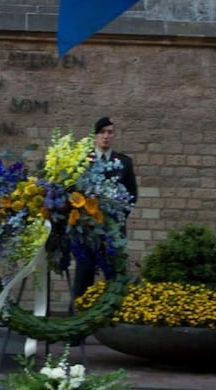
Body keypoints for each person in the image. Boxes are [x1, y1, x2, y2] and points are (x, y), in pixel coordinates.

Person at [69, 117, 137, 317]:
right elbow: (73, 192)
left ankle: (112, 321)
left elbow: (132, 195)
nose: (106, 136)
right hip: (87, 229)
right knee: (84, 275)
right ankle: (77, 323)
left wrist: (115, 218)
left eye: (110, 132)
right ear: (95, 135)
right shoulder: (83, 160)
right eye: (102, 132)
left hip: (112, 230)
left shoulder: (123, 162)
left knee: (114, 275)